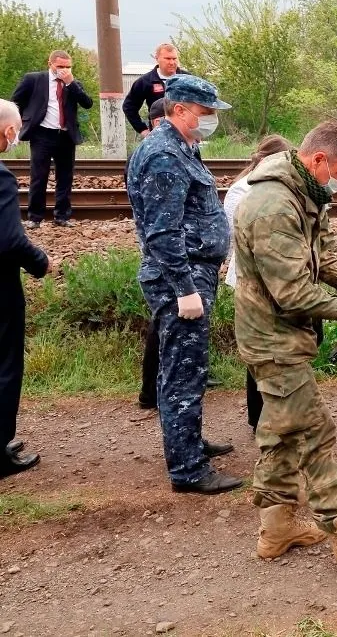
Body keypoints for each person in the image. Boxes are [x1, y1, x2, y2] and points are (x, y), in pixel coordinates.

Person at [233, 121, 337, 576]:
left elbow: (323, 252)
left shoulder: (305, 190)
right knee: (313, 433)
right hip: (270, 337)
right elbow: (292, 292)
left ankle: (277, 528)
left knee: (282, 431)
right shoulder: (272, 205)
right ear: (318, 159)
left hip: (285, 333)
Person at [126, 74, 242, 495]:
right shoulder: (164, 156)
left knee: (187, 368)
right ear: (179, 110)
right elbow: (161, 232)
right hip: (181, 278)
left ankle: (188, 442)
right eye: (205, 112)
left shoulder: (182, 148)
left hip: (194, 272)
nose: (210, 120)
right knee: (182, 373)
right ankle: (188, 469)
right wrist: (183, 288)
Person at [221, 134, 294, 430]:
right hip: (252, 280)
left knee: (281, 349)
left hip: (278, 278)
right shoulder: (242, 191)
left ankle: (280, 412)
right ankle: (259, 418)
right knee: (261, 353)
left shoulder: (277, 188)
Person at [0, 99, 49, 478]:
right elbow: (10, 241)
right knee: (4, 365)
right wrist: (40, 262)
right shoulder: (1, 177)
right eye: (16, 129)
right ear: (7, 131)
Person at [11, 50, 94, 229]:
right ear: (50, 64)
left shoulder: (73, 83)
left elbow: (87, 103)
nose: (64, 70)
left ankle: (62, 216)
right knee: (39, 176)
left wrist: (70, 83)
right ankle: (35, 217)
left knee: (65, 176)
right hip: (42, 133)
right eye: (60, 67)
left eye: (67, 67)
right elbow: (15, 102)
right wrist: (22, 122)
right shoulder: (33, 79)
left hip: (65, 135)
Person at [135, 99, 169, 411]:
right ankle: (151, 390)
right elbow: (162, 224)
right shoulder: (158, 154)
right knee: (163, 325)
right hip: (165, 264)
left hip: (163, 261)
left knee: (163, 325)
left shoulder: (163, 149)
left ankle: (154, 388)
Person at [122, 43, 188, 138]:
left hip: (185, 134)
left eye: (174, 59)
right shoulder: (145, 82)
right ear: (157, 59)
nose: (172, 62)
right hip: (159, 135)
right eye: (167, 59)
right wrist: (142, 129)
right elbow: (129, 107)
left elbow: (199, 104)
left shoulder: (187, 79)